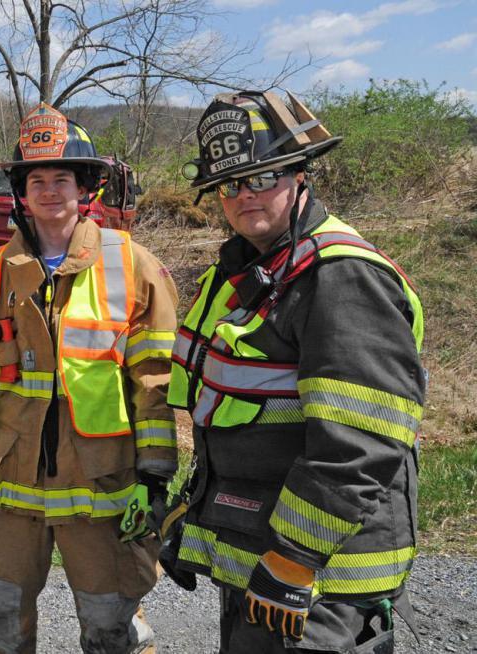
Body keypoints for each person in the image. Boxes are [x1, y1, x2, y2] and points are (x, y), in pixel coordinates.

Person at [165, 90, 425, 653]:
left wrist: (294, 556)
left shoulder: (339, 277)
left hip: (320, 577)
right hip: (266, 559)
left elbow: (360, 437)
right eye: (230, 184)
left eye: (264, 176)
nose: (244, 195)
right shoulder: (256, 270)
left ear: (300, 175)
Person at [0, 102, 180, 654]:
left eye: (62, 179)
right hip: (9, 488)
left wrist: (153, 480)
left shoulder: (133, 266)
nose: (50, 191)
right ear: (21, 193)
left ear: (86, 190)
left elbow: (156, 384)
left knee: (112, 626)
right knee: (0, 618)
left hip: (104, 485)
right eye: (37, 180)